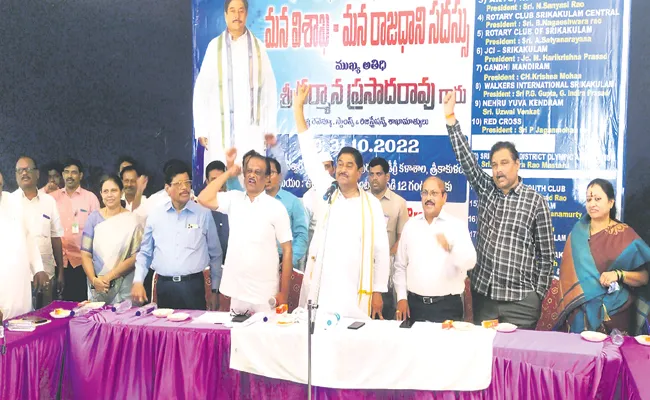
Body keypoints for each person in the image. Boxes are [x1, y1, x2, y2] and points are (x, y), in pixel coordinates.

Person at [443, 91, 555, 329]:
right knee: (485, 361)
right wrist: (450, 117)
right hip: (485, 298)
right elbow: (467, 160)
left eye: (504, 163)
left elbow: (547, 257)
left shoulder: (536, 201)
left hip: (521, 304)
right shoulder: (486, 190)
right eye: (494, 165)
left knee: (517, 362)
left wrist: (537, 295)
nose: (498, 170)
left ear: (517, 164)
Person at [294, 84, 390, 320]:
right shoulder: (328, 194)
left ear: (360, 173)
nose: (343, 169)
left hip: (354, 288)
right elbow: (309, 157)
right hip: (323, 289)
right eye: (340, 164)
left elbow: (381, 250)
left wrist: (378, 291)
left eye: (350, 165)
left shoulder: (371, 205)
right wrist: (298, 109)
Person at [198, 150, 293, 314]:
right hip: (238, 293)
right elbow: (203, 198)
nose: (252, 175)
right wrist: (228, 173)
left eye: (258, 172)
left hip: (265, 294)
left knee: (265, 338)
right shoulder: (234, 199)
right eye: (248, 171)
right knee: (238, 339)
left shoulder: (276, 208)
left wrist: (284, 293)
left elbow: (287, 249)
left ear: (266, 178)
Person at [553, 179, 650, 335]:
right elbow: (567, 277)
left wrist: (618, 274)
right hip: (580, 314)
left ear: (611, 202)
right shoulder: (576, 234)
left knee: (611, 358)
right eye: (589, 199)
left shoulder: (624, 235)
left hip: (615, 312)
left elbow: (644, 277)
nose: (592, 204)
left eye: (598, 199)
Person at [193, 0, 278, 170]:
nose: (236, 15)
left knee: (251, 176)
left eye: (240, 11)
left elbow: (269, 90)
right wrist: (201, 128)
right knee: (220, 182)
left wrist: (270, 129)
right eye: (232, 11)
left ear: (246, 14)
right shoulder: (214, 48)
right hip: (219, 130)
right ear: (225, 15)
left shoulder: (258, 49)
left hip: (251, 130)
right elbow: (202, 90)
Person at [131, 161, 222, 310]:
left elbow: (216, 254)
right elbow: (145, 253)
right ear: (167, 188)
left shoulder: (203, 214)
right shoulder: (155, 216)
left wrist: (215, 290)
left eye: (187, 182)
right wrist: (138, 280)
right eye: (178, 184)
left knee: (194, 332)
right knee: (166, 332)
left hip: (193, 287)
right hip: (165, 287)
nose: (185, 188)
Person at [394, 177, 476, 322]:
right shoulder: (411, 226)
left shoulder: (456, 226)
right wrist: (401, 298)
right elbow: (400, 266)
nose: (428, 198)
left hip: (446, 307)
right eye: (425, 193)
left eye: (434, 193)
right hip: (414, 307)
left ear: (444, 197)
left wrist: (451, 249)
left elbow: (470, 263)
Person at [226, 157, 308, 269]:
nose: (267, 177)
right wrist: (230, 166)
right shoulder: (252, 198)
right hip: (256, 260)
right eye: (264, 173)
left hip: (283, 259)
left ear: (279, 176)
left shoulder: (293, 202)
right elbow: (235, 190)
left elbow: (301, 235)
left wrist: (289, 260)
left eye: (271, 173)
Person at [81, 175, 143, 305]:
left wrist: (109, 277)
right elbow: (85, 253)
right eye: (105, 191)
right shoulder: (93, 218)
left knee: (123, 322)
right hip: (97, 285)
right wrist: (94, 280)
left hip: (124, 285)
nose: (109, 195)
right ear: (101, 194)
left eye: (114, 190)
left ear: (121, 192)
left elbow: (136, 256)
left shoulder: (133, 220)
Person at [13, 156, 65, 307]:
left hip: (46, 274)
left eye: (28, 169)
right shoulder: (9, 202)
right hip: (18, 277)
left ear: (37, 174)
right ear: (16, 176)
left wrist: (60, 271)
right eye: (20, 170)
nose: (24, 173)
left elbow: (55, 238)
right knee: (20, 321)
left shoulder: (49, 202)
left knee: (45, 319)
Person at [51, 158, 101, 302]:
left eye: (74, 172)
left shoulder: (90, 198)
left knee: (79, 304)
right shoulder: (53, 197)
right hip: (57, 261)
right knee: (57, 307)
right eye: (66, 172)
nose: (70, 176)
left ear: (81, 175)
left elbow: (98, 231)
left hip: (81, 263)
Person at [0, 171, 48, 319]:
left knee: (22, 327)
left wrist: (38, 268)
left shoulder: (13, 201)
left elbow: (28, 237)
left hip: (20, 283)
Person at [367, 157, 410, 319]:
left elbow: (402, 240)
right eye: (371, 174)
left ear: (387, 176)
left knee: (383, 321)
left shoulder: (399, 203)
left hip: (386, 273)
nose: (374, 178)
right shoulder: (361, 200)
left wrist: (385, 257)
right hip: (362, 272)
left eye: (378, 174)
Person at [302, 151, 335, 249]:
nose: (324, 171)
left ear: (334, 169)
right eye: (321, 168)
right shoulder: (308, 196)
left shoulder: (341, 192)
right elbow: (304, 232)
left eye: (327, 166)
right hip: (314, 250)